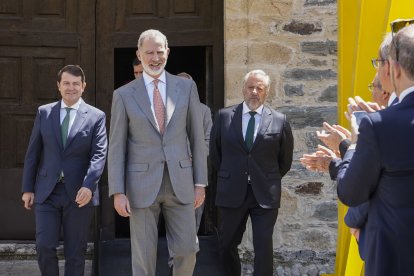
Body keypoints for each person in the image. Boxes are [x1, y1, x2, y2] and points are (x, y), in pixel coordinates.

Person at [108, 29, 207, 276]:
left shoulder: (186, 88)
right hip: (140, 185)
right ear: (139, 54)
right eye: (149, 52)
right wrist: (118, 191)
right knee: (143, 257)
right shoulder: (123, 94)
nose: (154, 58)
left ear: (168, 52)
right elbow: (117, 146)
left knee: (187, 249)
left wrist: (200, 183)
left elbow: (196, 138)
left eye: (159, 52)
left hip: (181, 183)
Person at [337, 24, 414, 275]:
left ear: (394, 69)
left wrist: (355, 142)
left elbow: (350, 192)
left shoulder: (378, 125)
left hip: (395, 259)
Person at [21, 65, 108, 276]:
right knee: (44, 246)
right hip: (46, 191)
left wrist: (89, 186)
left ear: (83, 86)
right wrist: (27, 188)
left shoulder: (96, 116)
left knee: (76, 251)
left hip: (79, 194)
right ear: (59, 86)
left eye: (76, 84)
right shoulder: (44, 112)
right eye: (67, 83)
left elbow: (99, 154)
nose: (71, 88)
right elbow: (33, 153)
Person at [210, 69, 294, 276]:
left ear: (267, 92)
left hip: (265, 193)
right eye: (250, 87)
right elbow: (215, 155)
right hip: (232, 192)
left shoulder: (279, 120)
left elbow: (285, 160)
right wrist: (233, 175)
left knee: (263, 246)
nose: (254, 92)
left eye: (260, 88)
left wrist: (264, 177)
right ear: (243, 89)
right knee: (227, 243)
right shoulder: (223, 117)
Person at [177, 71, 213, 232]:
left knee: (195, 210)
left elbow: (208, 140)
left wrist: (193, 156)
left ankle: (192, 247)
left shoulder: (203, 111)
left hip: (194, 170)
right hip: (169, 169)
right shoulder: (161, 109)